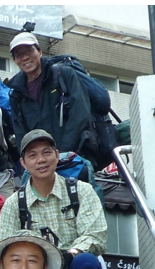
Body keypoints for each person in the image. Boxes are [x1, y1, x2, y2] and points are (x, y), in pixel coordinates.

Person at [0, 129, 109, 269]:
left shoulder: (81, 191)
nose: (41, 160)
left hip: (73, 267)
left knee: (87, 264)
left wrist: (70, 254)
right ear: (22, 163)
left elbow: (96, 236)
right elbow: (7, 249)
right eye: (32, 155)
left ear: (57, 155)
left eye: (46, 152)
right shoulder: (13, 204)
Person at [7, 32, 99, 168]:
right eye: (19, 54)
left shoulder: (64, 75)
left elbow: (80, 115)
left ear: (39, 52)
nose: (25, 57)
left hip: (75, 158)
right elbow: (22, 135)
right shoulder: (16, 93)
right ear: (15, 60)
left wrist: (60, 155)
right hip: (41, 166)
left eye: (29, 51)